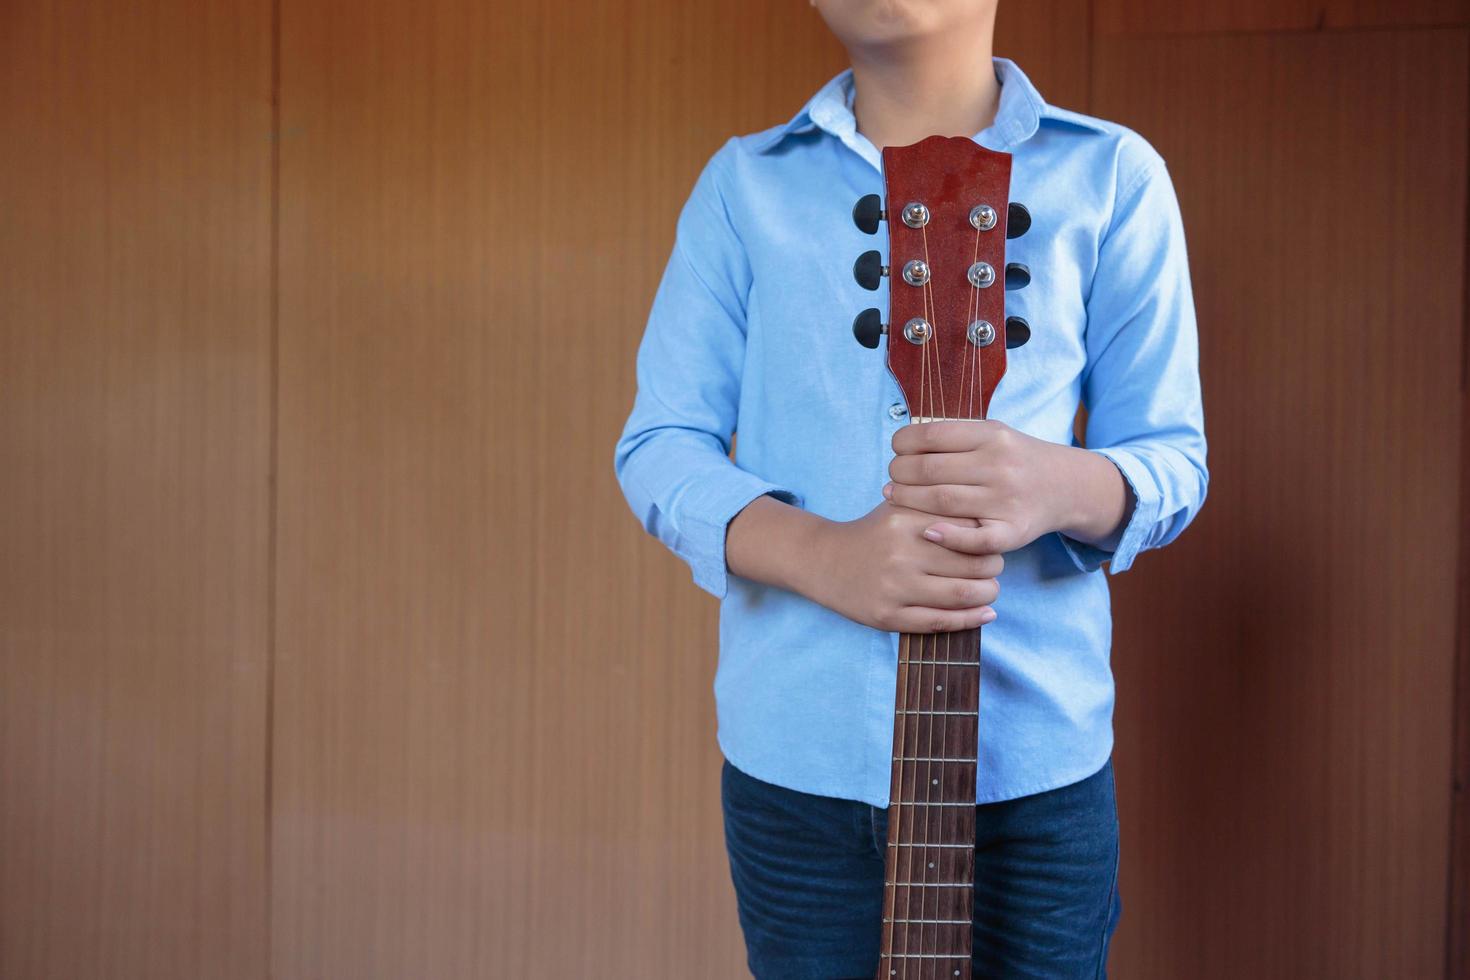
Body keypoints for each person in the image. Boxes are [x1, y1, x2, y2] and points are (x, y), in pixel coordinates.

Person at [613, 1, 1207, 976]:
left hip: (1039, 774)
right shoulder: (744, 188)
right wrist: (824, 554)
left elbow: (1173, 458)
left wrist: (1059, 483)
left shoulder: (1111, 177)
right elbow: (659, 443)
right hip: (797, 773)